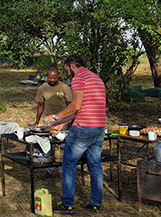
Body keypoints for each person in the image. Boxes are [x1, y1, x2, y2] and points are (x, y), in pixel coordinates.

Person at [41, 55, 107, 213]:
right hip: (98, 127)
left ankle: (68, 204)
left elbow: (76, 105)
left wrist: (55, 117)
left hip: (83, 128)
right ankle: (96, 203)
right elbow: (85, 108)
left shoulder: (79, 78)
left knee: (69, 164)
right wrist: (62, 123)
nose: (67, 74)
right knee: (95, 165)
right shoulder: (96, 78)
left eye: (67, 70)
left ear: (72, 65)